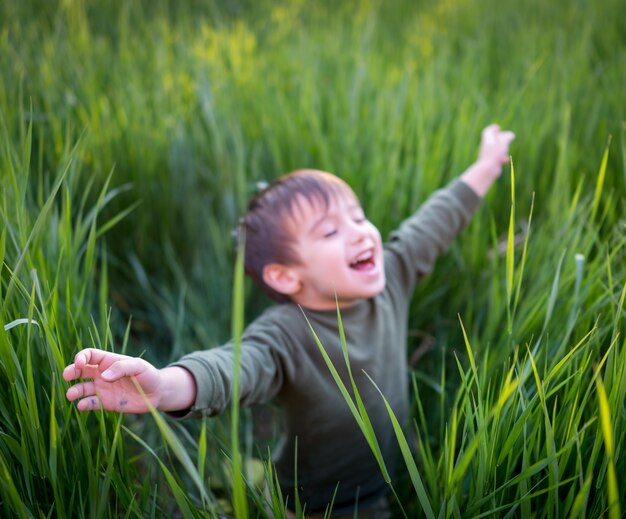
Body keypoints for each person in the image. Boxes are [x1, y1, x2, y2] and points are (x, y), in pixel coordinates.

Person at [63, 125, 514, 518]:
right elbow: (233, 368)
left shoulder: (392, 278)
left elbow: (436, 220)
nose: (360, 231)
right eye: (331, 231)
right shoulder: (286, 334)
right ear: (286, 276)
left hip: (390, 470)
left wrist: (487, 166)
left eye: (358, 216)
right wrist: (164, 386)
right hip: (320, 501)